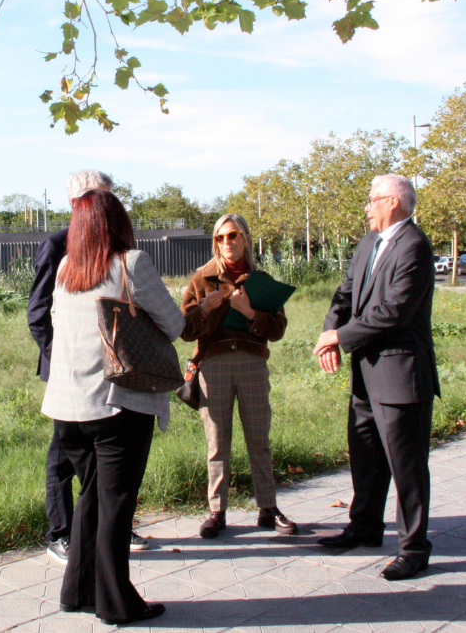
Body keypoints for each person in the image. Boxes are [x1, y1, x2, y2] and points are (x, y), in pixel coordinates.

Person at [41, 189, 183, 626]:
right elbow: (175, 325)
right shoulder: (131, 263)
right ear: (118, 223)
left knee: (92, 502)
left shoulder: (66, 268)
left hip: (66, 410)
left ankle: (78, 592)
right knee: (115, 505)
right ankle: (116, 603)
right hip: (117, 406)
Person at [312, 174, 440, 582]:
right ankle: (365, 526)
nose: (366, 207)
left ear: (393, 203)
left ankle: (415, 547)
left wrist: (341, 336)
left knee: (407, 465)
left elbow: (394, 311)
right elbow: (345, 294)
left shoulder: (414, 247)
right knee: (365, 453)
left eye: (371, 200)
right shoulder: (368, 243)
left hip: (401, 374)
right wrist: (330, 331)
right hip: (366, 373)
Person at [27, 170, 149, 563]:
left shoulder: (119, 251)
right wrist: (61, 357)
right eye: (99, 197)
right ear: (78, 204)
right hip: (68, 374)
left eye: (110, 197)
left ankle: (112, 528)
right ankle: (61, 532)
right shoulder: (58, 247)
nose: (107, 205)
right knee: (62, 457)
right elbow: (38, 313)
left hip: (110, 375)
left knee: (105, 467)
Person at [180, 214, 295, 539]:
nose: (227, 243)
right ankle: (217, 512)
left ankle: (268, 509)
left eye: (233, 236)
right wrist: (204, 309)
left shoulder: (261, 279)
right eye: (220, 237)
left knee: (259, 439)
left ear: (245, 238)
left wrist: (249, 313)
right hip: (213, 366)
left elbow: (278, 330)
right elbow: (185, 331)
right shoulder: (203, 278)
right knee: (217, 443)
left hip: (251, 364)